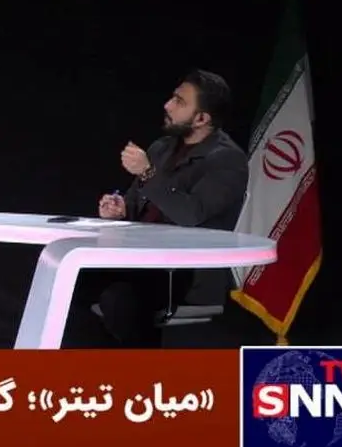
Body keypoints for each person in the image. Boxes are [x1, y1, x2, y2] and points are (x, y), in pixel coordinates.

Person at [67, 69, 249, 348]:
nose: (167, 105)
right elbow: (135, 203)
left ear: (202, 119)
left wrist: (148, 173)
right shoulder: (162, 148)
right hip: (139, 259)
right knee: (69, 281)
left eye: (179, 101)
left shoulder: (227, 161)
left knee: (121, 300)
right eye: (172, 97)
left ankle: (145, 369)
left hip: (182, 270)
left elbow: (191, 214)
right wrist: (119, 210)